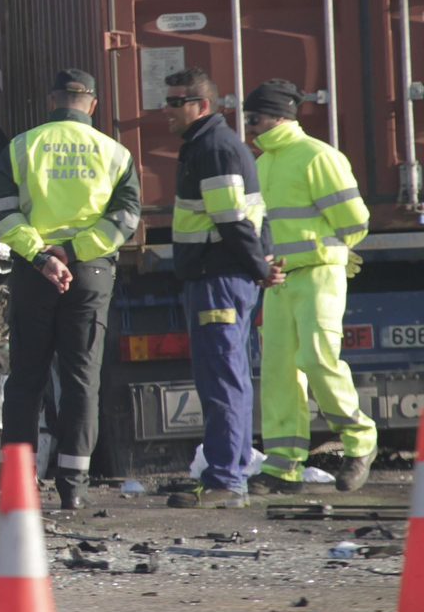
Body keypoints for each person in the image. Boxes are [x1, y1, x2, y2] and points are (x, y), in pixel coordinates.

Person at [0, 69, 140, 510]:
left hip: (34, 274)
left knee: (26, 381)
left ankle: (19, 485)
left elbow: (0, 211)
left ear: (52, 99)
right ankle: (73, 485)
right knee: (80, 379)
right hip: (90, 274)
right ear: (92, 104)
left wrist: (42, 256)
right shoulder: (115, 154)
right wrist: (73, 252)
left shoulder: (22, 146)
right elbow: (126, 219)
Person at [243, 79, 378, 494]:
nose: (250, 126)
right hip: (280, 282)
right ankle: (283, 467)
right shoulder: (261, 163)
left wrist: (327, 252)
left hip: (318, 274)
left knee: (318, 359)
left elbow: (355, 222)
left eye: (257, 118)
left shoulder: (317, 156)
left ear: (281, 116)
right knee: (280, 373)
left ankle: (360, 443)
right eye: (248, 118)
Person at [158, 69, 273, 509]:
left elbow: (231, 221)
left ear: (201, 105)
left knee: (221, 381)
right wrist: (261, 263)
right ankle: (230, 472)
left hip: (216, 281)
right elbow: (252, 215)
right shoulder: (214, 146)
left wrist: (258, 266)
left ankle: (226, 481)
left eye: (174, 102)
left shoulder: (213, 148)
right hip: (225, 278)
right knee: (233, 378)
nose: (165, 110)